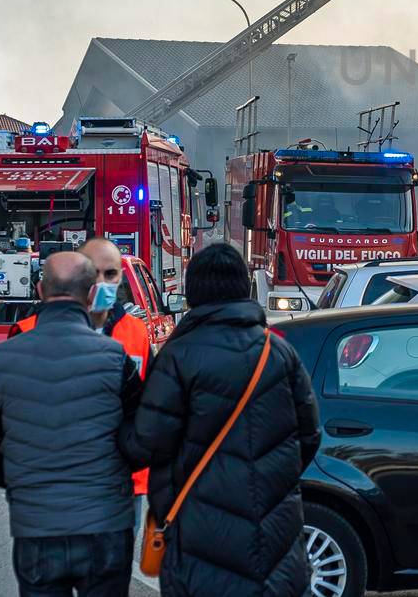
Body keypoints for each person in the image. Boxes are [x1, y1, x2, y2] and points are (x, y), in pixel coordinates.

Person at [123, 244, 320, 597]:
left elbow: (148, 441)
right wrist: (271, 477)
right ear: (245, 289)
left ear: (193, 292)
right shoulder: (278, 353)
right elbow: (309, 436)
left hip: (200, 536)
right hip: (273, 535)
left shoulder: (179, 356)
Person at [0, 251, 144, 597]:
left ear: (41, 290)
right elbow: (144, 438)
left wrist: (19, 478)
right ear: (92, 294)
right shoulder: (114, 358)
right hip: (104, 526)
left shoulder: (4, 357)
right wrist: (113, 474)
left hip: (36, 527)